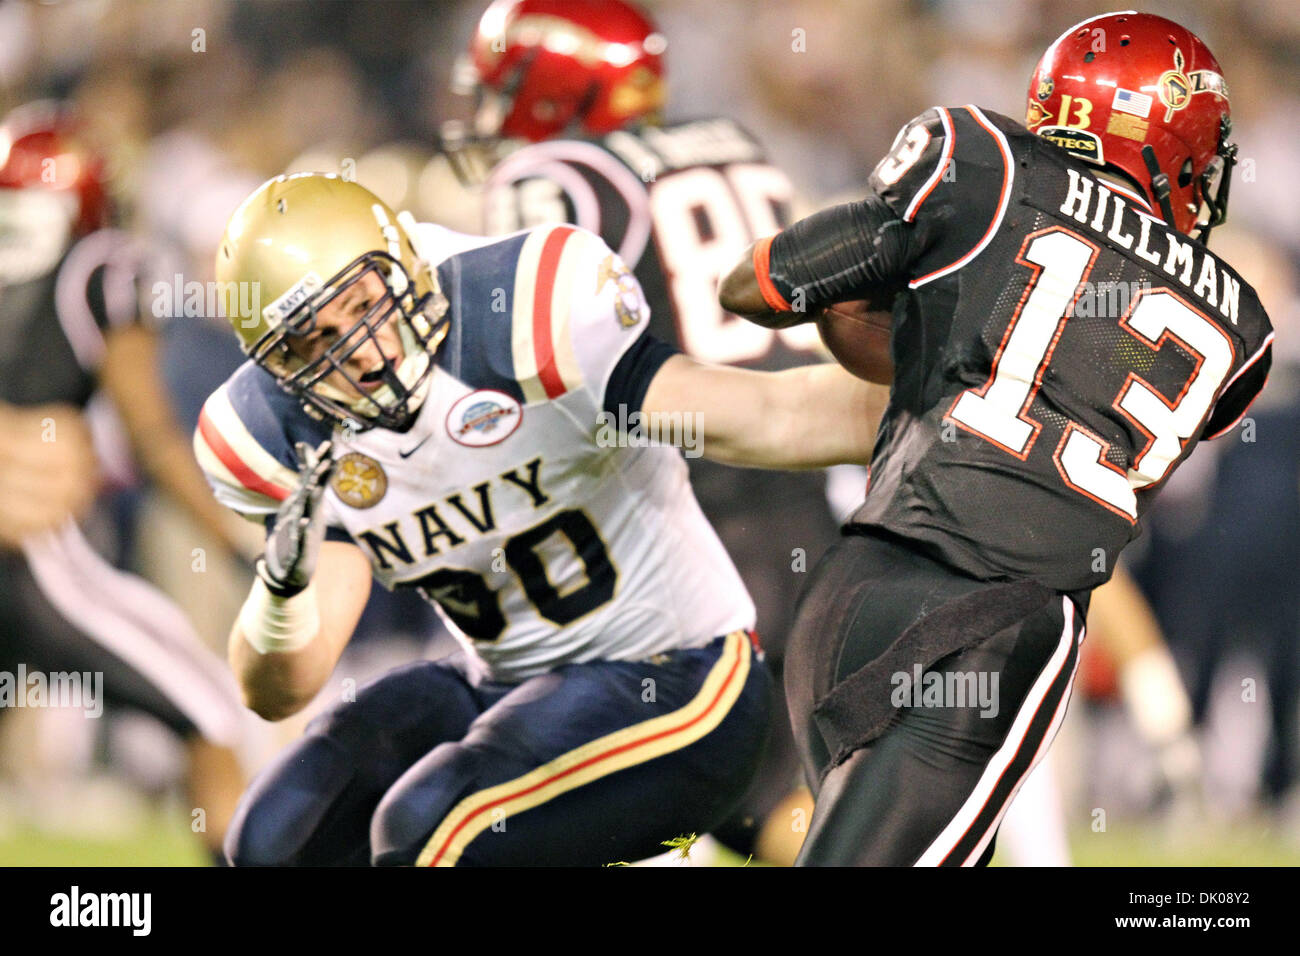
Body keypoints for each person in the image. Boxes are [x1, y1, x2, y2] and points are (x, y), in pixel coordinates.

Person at [202, 172, 884, 866]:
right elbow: (279, 688)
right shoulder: (277, 431)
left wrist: (956, 408)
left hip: (681, 682)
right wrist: (280, 589)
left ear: (403, 261)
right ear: (278, 364)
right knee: (275, 839)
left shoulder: (522, 311)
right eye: (316, 342)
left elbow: (771, 415)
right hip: (503, 688)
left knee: (429, 830)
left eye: (363, 304)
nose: (362, 354)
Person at [720, 11, 1273, 866]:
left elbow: (760, 283)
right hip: (999, 624)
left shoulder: (985, 165)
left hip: (851, 589)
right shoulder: (1241, 326)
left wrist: (897, 307)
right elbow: (1088, 449)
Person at [461, 0, 834, 863]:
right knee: (775, 799)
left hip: (676, 510)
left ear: (555, 88)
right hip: (796, 488)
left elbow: (524, 343)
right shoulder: (732, 138)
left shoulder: (555, 172)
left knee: (610, 785)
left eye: (508, 83)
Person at [0, 101, 248, 860]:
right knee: (208, 712)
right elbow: (150, 437)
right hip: (32, 551)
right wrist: (238, 536)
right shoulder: (104, 263)